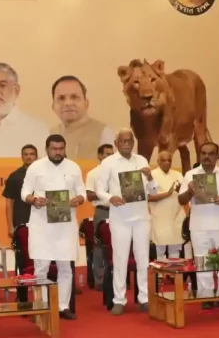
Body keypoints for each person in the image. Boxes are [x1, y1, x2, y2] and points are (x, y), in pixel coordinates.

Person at [21, 134, 86, 320]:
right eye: (54, 149)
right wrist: (33, 199)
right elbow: (24, 192)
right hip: (42, 225)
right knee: (41, 268)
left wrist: (79, 199)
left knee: (65, 268)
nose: (57, 152)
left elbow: (82, 191)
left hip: (65, 226)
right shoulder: (36, 167)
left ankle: (62, 306)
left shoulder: (73, 167)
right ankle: (40, 306)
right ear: (47, 149)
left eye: (61, 149)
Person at [96, 129, 157, 314]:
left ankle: (144, 298)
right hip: (120, 217)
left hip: (141, 218)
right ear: (116, 142)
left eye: (129, 140)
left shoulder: (142, 161)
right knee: (120, 259)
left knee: (143, 259)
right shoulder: (108, 163)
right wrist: (110, 198)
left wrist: (150, 177)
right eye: (122, 140)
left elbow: (153, 191)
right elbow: (99, 189)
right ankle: (119, 300)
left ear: (134, 141)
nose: (126, 143)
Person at [178, 142, 219, 308]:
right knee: (202, 262)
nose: (206, 157)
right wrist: (190, 191)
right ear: (199, 155)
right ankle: (206, 296)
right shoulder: (190, 175)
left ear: (217, 157)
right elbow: (180, 200)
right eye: (203, 153)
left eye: (211, 153)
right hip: (199, 226)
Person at [50, 76, 116, 159]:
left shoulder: (105, 133)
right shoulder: (49, 135)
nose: (68, 103)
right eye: (61, 98)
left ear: (86, 103)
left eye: (74, 97)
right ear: (53, 106)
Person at [85, 143, 115, 287]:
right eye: (107, 154)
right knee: (99, 247)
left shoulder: (117, 171)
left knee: (119, 244)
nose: (111, 156)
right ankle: (100, 280)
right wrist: (104, 194)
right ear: (99, 156)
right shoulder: (93, 173)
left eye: (112, 153)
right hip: (102, 211)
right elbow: (89, 196)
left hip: (119, 211)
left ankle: (118, 279)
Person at [149, 150, 185, 259]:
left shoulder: (177, 174)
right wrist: (167, 194)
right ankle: (161, 275)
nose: (167, 162)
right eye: (164, 160)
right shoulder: (152, 175)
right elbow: (149, 197)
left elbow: (183, 196)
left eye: (169, 160)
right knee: (160, 249)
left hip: (176, 216)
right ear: (158, 161)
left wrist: (180, 191)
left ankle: (173, 275)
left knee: (175, 248)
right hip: (159, 217)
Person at [3, 145, 39, 238]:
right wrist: (10, 226)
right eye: (26, 154)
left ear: (36, 156)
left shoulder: (44, 175)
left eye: (32, 154)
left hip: (41, 221)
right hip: (21, 221)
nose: (29, 156)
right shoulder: (14, 176)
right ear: (22, 157)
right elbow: (9, 203)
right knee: (22, 252)